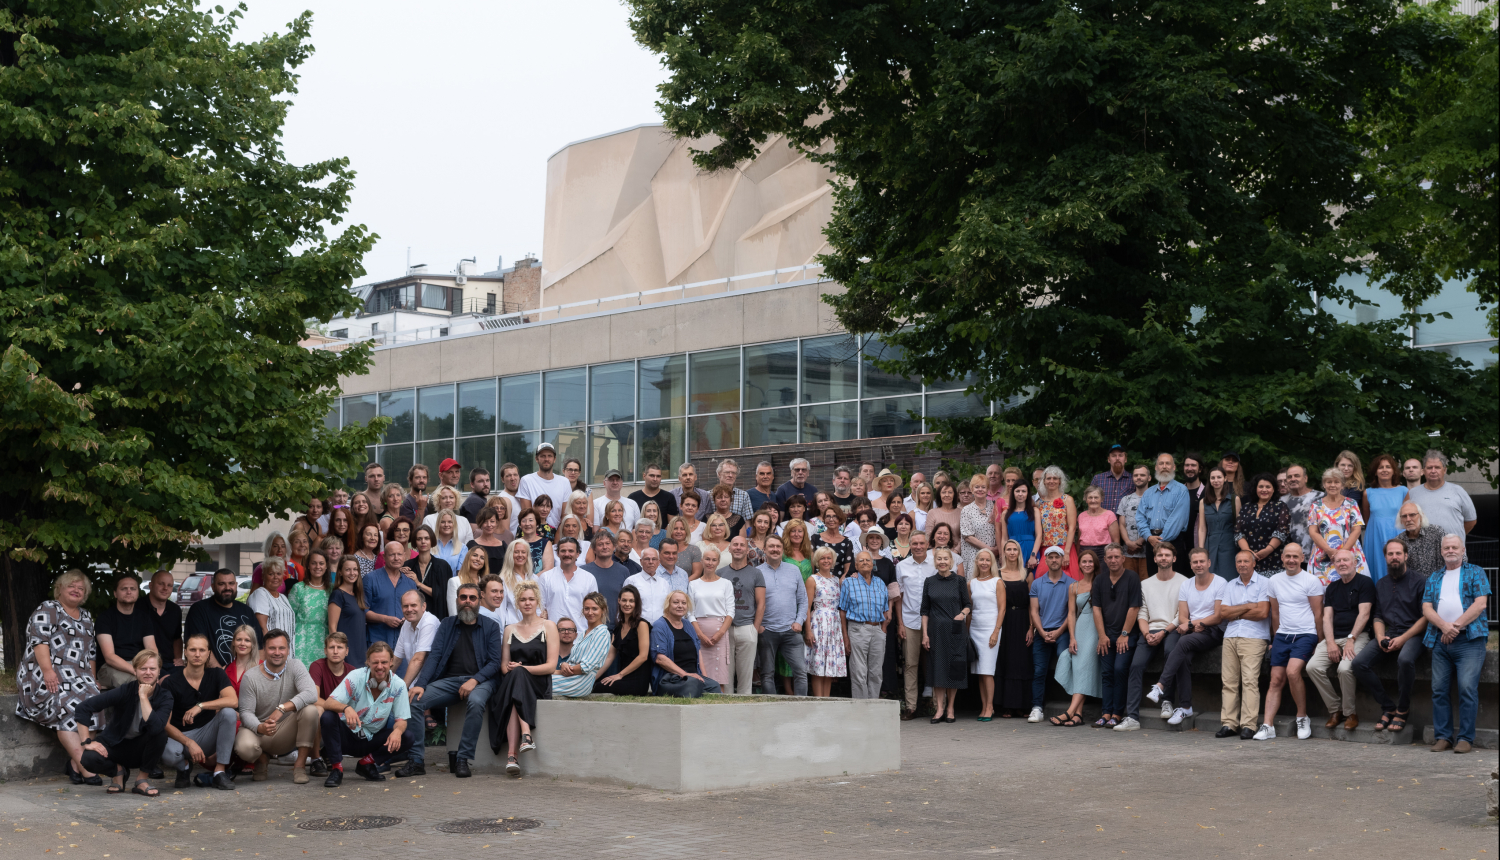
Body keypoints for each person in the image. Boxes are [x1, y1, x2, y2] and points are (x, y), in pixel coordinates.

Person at [15, 570, 104, 785]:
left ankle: (75, 763)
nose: (76, 590)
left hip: (79, 675)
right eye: (71, 586)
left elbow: (90, 651)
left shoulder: (85, 616)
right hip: (45, 672)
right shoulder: (48, 609)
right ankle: (86, 767)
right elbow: (39, 641)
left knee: (95, 701)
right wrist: (48, 671)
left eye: (80, 588)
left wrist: (92, 678)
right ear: (60, 590)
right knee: (67, 705)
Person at [406, 583, 504, 778]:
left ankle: (462, 758)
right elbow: (434, 657)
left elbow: (495, 662)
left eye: (472, 598)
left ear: (479, 600)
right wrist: (420, 684)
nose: (467, 601)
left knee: (476, 702)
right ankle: (416, 761)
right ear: (457, 600)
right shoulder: (447, 624)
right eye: (463, 597)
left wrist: (475, 680)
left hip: (482, 681)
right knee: (416, 701)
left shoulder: (491, 626)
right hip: (451, 681)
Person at [1422, 534, 1490, 754]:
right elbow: (1426, 608)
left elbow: (1480, 604)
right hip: (1441, 640)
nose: (1450, 550)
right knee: (1438, 690)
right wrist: (1444, 626)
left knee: (1467, 688)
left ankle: (1465, 738)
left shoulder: (1475, 572)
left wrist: (1456, 625)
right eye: (1446, 547)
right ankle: (1443, 737)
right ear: (1441, 551)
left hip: (1469, 640)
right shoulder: (1434, 576)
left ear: (1462, 550)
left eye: (1454, 547)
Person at [1353, 539, 1427, 736]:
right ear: (1386, 557)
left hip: (1414, 634)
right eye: (1390, 554)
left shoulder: (1420, 581)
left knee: (1404, 660)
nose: (1394, 557)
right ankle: (1388, 707)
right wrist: (1379, 637)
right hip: (1388, 633)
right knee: (1359, 663)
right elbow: (1377, 615)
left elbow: (1425, 618)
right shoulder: (1381, 583)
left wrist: (1402, 639)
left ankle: (1402, 709)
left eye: (1398, 553)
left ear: (1406, 556)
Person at [74, 650, 172, 797]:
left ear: (159, 671)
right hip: (116, 744)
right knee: (88, 759)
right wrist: (86, 741)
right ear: (135, 670)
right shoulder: (125, 690)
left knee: (160, 734)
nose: (148, 672)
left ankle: (141, 780)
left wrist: (143, 697)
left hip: (141, 749)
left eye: (152, 669)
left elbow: (156, 727)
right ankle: (118, 771)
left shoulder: (165, 696)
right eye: (143, 668)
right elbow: (83, 708)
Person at [1146, 548, 1225, 726]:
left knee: (1182, 642)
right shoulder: (1187, 585)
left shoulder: (1220, 583)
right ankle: (1185, 708)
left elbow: (1218, 616)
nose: (1199, 565)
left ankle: (1160, 686)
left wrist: (1192, 623)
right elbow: (1182, 616)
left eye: (1202, 561)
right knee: (1182, 657)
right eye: (1195, 562)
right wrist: (1190, 624)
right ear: (1190, 565)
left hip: (1212, 630)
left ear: (1209, 563)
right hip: (1192, 630)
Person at [1254, 543, 1324, 741]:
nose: (1291, 560)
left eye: (1295, 556)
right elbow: (1274, 613)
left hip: (1306, 634)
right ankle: (1267, 725)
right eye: (1288, 556)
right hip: (1283, 636)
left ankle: (1302, 716)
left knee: (1293, 672)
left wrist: (1320, 640)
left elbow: (1318, 613)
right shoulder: (1274, 581)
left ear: (1302, 558)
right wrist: (1275, 638)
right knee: (1275, 679)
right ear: (1282, 558)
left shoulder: (1311, 580)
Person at [1115, 544, 1188, 732]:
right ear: (1154, 559)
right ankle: (1132, 717)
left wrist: (1164, 632)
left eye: (1167, 555)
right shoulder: (1145, 584)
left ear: (1174, 559)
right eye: (1160, 555)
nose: (1163, 558)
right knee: (1136, 665)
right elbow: (1142, 613)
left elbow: (1182, 614)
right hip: (1150, 630)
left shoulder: (1184, 582)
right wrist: (1146, 633)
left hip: (1172, 629)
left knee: (1171, 652)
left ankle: (1167, 701)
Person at [319, 642, 413, 786]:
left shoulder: (398, 685)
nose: (380, 666)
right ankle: (337, 769)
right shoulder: (356, 676)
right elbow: (328, 703)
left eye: (384, 662)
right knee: (327, 716)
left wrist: (398, 731)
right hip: (346, 737)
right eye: (375, 662)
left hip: (371, 739)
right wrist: (346, 708)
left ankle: (366, 764)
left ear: (391, 662)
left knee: (407, 736)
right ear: (368, 662)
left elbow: (402, 720)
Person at [489, 582, 558, 776]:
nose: (527, 603)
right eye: (522, 599)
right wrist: (512, 668)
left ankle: (512, 755)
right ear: (517, 603)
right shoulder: (510, 629)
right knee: (515, 680)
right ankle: (524, 738)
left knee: (517, 678)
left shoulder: (549, 626)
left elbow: (551, 666)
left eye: (531, 599)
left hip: (539, 683)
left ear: (537, 602)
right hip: (515, 682)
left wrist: (522, 668)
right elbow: (504, 666)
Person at [234, 629, 319, 783]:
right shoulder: (250, 676)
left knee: (311, 710)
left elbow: (312, 693)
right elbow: (246, 712)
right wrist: (260, 727)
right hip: (259, 731)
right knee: (244, 748)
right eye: (272, 648)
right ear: (264, 650)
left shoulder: (296, 666)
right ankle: (261, 760)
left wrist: (283, 708)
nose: (277, 652)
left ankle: (299, 766)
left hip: (287, 730)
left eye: (282, 648)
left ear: (288, 650)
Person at [1307, 547, 1376, 729]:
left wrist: (1351, 639)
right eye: (1338, 561)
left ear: (1354, 563)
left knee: (1345, 669)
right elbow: (1327, 617)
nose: (1342, 564)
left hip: (1357, 636)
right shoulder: (1332, 587)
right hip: (1334, 637)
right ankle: (1335, 709)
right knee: (1312, 667)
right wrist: (1330, 642)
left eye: (1346, 560)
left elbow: (1365, 614)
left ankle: (1350, 713)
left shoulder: (1365, 583)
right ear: (1334, 565)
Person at [160, 634, 237, 789]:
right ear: (185, 652)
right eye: (193, 650)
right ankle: (184, 769)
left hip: (206, 734)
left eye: (202, 650)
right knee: (168, 754)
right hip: (180, 738)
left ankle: (219, 773)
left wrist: (200, 706)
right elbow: (165, 724)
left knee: (228, 713)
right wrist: (189, 742)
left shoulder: (216, 674)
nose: (197, 654)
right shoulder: (170, 682)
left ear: (209, 653)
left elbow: (233, 700)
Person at [1215, 550, 1271, 739]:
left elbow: (1263, 612)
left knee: (1249, 681)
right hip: (1230, 636)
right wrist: (1248, 605)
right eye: (1239, 561)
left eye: (1246, 561)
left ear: (1254, 563)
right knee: (1228, 682)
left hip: (1254, 637)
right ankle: (1229, 723)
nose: (1242, 564)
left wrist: (1235, 611)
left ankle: (1249, 724)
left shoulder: (1264, 583)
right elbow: (1223, 613)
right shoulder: (1231, 584)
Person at [1090, 545, 1141, 728]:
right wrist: (1102, 635)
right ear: (1105, 560)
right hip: (1106, 635)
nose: (1113, 560)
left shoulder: (1132, 578)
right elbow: (1096, 608)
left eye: (1116, 557)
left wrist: (1124, 634)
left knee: (1120, 669)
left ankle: (1118, 714)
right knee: (1106, 673)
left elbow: (1134, 607)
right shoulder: (1099, 580)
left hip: (1127, 636)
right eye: (1109, 557)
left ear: (1123, 558)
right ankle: (1105, 712)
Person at [919, 547, 971, 722]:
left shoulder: (959, 581)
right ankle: (939, 709)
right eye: (939, 559)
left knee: (953, 669)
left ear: (951, 562)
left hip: (955, 632)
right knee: (938, 670)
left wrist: (962, 614)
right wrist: (925, 635)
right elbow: (924, 610)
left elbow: (968, 605)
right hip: (935, 632)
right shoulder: (929, 581)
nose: (942, 562)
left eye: (945, 559)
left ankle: (950, 709)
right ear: (935, 562)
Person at [1052, 548, 1100, 727]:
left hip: (1096, 629)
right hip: (1080, 628)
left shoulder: (1100, 583)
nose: (1087, 565)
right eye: (1083, 562)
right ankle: (1078, 715)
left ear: (1095, 564)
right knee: (1075, 665)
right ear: (1078, 565)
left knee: (1084, 667)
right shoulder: (1073, 586)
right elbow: (1071, 614)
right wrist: (1072, 637)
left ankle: (1070, 711)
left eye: (1090, 562)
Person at [757, 535, 809, 696]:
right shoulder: (756, 573)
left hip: (791, 630)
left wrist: (799, 621)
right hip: (767, 631)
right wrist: (757, 625)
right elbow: (752, 602)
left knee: (800, 672)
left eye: (778, 547)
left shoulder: (793, 570)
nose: (775, 550)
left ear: (782, 549)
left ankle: (801, 710)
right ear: (764, 550)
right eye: (771, 546)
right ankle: (771, 711)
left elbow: (803, 599)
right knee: (767, 674)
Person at [1028, 546, 1073, 723]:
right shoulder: (1037, 583)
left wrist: (1058, 632)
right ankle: (1037, 708)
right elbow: (1034, 611)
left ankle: (1072, 707)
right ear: (1045, 560)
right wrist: (1041, 632)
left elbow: (1072, 613)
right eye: (1051, 557)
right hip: (1041, 631)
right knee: (1039, 671)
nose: (1054, 560)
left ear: (1062, 560)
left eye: (1057, 557)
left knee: (1066, 662)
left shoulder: (1071, 583)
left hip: (1062, 632)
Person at [838, 550, 891, 701]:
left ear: (873, 564)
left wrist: (884, 629)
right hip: (857, 628)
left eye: (868, 560)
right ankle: (861, 710)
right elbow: (842, 611)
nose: (865, 563)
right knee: (859, 671)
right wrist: (845, 637)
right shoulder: (849, 582)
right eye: (861, 561)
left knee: (876, 672)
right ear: (856, 565)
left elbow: (886, 609)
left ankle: (873, 706)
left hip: (878, 629)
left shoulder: (880, 582)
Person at [893, 532, 935, 719]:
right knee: (910, 664)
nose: (918, 546)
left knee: (935, 663)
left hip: (933, 622)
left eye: (921, 543)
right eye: (915, 543)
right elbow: (898, 598)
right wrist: (900, 623)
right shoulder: (901, 566)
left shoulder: (936, 564)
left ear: (927, 545)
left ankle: (936, 705)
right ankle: (911, 706)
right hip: (909, 621)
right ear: (909, 545)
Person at [652, 590, 723, 699]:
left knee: (714, 686)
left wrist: (704, 677)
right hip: (672, 679)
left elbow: (698, 652)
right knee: (692, 685)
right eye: (676, 602)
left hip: (693, 677)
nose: (680, 606)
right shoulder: (659, 626)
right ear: (668, 604)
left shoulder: (688, 625)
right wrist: (685, 674)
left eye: (683, 603)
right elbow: (660, 658)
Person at [719, 535, 766, 694]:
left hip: (747, 628)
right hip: (724, 630)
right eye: (735, 545)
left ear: (747, 550)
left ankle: (743, 711)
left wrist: (754, 628)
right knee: (725, 678)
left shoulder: (756, 573)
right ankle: (726, 712)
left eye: (742, 545)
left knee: (746, 678)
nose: (738, 547)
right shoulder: (720, 573)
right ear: (729, 548)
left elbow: (761, 603)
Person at [95, 573, 158, 690]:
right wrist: (137, 671)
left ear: (137, 592)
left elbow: (152, 650)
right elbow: (109, 657)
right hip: (109, 667)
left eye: (133, 589)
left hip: (139, 665)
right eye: (124, 589)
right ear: (115, 593)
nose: (129, 592)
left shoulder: (144, 618)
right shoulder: (105, 618)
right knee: (137, 684)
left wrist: (152, 669)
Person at [1308, 468, 1368, 584]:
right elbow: (1313, 532)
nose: (1332, 485)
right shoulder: (1316, 505)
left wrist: (1342, 554)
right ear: (1324, 485)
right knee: (1321, 590)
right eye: (1329, 482)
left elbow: (1357, 529)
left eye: (1336, 482)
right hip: (1323, 554)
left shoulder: (1351, 504)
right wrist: (1329, 550)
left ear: (1342, 485)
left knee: (1353, 587)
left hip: (1349, 552)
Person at [803, 547, 847, 696]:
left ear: (833, 560)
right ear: (817, 561)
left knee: (829, 665)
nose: (826, 561)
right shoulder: (812, 579)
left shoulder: (836, 580)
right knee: (818, 664)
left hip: (834, 625)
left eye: (829, 558)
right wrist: (808, 630)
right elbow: (807, 607)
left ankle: (826, 700)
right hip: (819, 623)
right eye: (822, 558)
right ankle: (817, 701)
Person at [688, 547, 735, 689]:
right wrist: (700, 634)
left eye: (714, 560)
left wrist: (720, 634)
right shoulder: (693, 584)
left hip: (719, 632)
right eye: (707, 559)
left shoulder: (726, 583)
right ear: (702, 561)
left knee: (719, 675)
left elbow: (731, 611)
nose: (710, 562)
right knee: (701, 674)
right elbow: (690, 612)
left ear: (718, 562)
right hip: (699, 632)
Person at [551, 594, 614, 698]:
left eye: (594, 609)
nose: (590, 612)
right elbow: (572, 661)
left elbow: (586, 667)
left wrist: (564, 670)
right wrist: (563, 665)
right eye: (587, 608)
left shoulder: (602, 633)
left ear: (603, 610)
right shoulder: (583, 633)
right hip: (571, 676)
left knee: (536, 682)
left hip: (579, 682)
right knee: (534, 678)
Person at [1137, 453, 1191, 575]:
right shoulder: (1148, 493)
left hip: (1173, 543)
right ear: (1156, 467)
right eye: (1161, 463)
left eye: (1168, 463)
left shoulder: (1181, 490)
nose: (1164, 466)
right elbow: (1140, 517)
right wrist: (1148, 537)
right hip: (1151, 541)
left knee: (1174, 581)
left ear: (1174, 467)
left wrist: (1160, 542)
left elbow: (1177, 520)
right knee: (1154, 579)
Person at [967, 549, 1004, 721]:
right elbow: (970, 610)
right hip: (975, 629)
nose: (984, 563)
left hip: (991, 628)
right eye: (981, 559)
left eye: (987, 560)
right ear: (976, 562)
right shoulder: (971, 583)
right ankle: (983, 707)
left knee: (988, 671)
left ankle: (990, 707)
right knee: (980, 672)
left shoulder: (997, 582)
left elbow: (1002, 609)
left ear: (992, 563)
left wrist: (996, 631)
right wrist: (967, 633)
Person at [1407, 450, 1478, 538]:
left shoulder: (1458, 491)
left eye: (1437, 467)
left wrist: (1456, 537)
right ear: (1423, 471)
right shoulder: (1412, 493)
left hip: (1452, 550)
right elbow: (1406, 521)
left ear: (1444, 470)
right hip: (1424, 550)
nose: (1433, 471)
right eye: (1429, 468)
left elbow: (1471, 521)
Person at [598, 585, 653, 696]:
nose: (627, 604)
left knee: (597, 687)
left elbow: (643, 656)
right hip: (622, 677)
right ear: (619, 601)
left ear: (636, 603)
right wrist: (592, 678)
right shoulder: (618, 628)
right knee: (594, 684)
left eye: (631, 601)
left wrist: (620, 675)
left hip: (637, 681)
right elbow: (609, 657)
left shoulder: (642, 625)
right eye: (624, 600)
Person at [1361, 454, 1407, 582]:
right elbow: (1367, 517)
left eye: (1388, 467)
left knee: (1398, 565)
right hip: (1375, 536)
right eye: (1381, 467)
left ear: (1393, 471)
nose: (1384, 470)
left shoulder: (1403, 491)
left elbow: (1407, 516)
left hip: (1397, 534)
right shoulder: (1368, 493)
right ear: (1375, 472)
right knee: (1377, 566)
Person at [538, 537, 599, 631]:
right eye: (563, 551)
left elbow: (594, 609)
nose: (567, 554)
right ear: (557, 553)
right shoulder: (545, 577)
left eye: (571, 551)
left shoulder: (589, 578)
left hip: (580, 634)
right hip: (553, 634)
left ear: (578, 554)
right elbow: (540, 608)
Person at [364, 542, 418, 647]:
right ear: (384, 556)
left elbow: (418, 610)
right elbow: (362, 611)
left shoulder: (410, 583)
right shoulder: (370, 579)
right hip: (377, 640)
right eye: (392, 555)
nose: (396, 558)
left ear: (404, 556)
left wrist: (407, 618)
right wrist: (385, 619)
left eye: (399, 554)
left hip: (404, 642)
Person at [1235, 473, 1290, 575]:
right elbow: (1238, 531)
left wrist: (1267, 550)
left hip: (1274, 560)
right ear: (1255, 489)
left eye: (1268, 487)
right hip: (1248, 561)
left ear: (1273, 489)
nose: (1264, 490)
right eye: (1261, 487)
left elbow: (1282, 530)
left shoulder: (1280, 506)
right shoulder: (1246, 507)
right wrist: (1248, 552)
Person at [1197, 467, 1241, 579]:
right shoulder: (1203, 502)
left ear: (1225, 479)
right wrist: (1201, 549)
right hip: (1210, 545)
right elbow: (1202, 528)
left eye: (1219, 477)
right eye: (1213, 478)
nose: (1216, 480)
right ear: (1209, 481)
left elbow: (1239, 527)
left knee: (1229, 577)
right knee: (1210, 578)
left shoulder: (1234, 500)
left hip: (1229, 545)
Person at [290, 551, 332, 667]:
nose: (318, 567)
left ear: (326, 566)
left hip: (324, 639)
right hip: (301, 640)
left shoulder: (332, 590)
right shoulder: (298, 588)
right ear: (308, 566)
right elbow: (290, 618)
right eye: (314, 563)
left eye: (321, 563)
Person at [327, 556, 369, 670]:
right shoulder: (338, 594)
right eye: (347, 570)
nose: (352, 573)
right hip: (346, 653)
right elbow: (332, 627)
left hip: (360, 651)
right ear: (340, 572)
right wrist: (338, 652)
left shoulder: (358, 595)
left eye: (355, 569)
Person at [516, 442, 571, 529]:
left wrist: (556, 538)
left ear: (554, 459)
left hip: (558, 535)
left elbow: (565, 516)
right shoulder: (526, 480)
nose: (546, 459)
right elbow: (527, 515)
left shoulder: (564, 482)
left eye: (550, 456)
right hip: (533, 535)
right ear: (536, 459)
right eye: (542, 456)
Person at [393, 590, 440, 687]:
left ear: (423, 606)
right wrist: (380, 682)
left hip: (431, 683)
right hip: (414, 681)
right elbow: (396, 659)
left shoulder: (429, 622)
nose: (409, 609)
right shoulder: (407, 623)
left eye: (413, 605)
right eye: (405, 606)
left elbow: (418, 659)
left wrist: (402, 690)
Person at [249, 559, 297, 645]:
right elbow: (262, 628)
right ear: (263, 576)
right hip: (272, 649)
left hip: (286, 648)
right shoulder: (260, 594)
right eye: (271, 574)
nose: (275, 577)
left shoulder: (283, 597)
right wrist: (271, 648)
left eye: (278, 574)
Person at [1116, 464, 1152, 577]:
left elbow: (1155, 523)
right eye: (1136, 475)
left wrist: (1139, 542)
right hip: (1128, 553)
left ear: (1149, 478)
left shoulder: (1155, 499)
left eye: (1142, 475)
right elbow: (1121, 524)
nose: (1139, 477)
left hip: (1148, 553)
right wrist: (1128, 542)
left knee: (1146, 587)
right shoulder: (1125, 499)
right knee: (1128, 586)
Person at [1280, 464, 1324, 558]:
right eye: (1289, 477)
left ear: (1305, 478)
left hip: (1317, 553)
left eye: (1297, 476)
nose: (1292, 479)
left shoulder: (1320, 497)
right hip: (1291, 557)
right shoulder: (1281, 501)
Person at [959, 474, 997, 579]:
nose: (980, 489)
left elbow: (1001, 529)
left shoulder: (995, 506)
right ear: (972, 489)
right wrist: (989, 550)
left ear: (988, 489)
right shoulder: (966, 510)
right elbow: (968, 536)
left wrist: (997, 549)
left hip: (993, 557)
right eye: (977, 487)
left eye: (983, 487)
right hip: (974, 556)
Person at [1396, 500, 1447, 579]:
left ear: (1421, 516)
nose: (1408, 519)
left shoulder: (1437, 532)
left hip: (1439, 583)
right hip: (1413, 587)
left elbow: (1458, 554)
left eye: (1412, 515)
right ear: (1401, 520)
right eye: (1404, 516)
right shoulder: (1399, 541)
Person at [144, 570, 184, 669]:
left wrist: (178, 658)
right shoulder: (138, 608)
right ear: (151, 585)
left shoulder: (175, 610)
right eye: (161, 584)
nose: (165, 588)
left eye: (170, 585)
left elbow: (177, 638)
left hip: (170, 663)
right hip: (145, 664)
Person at [1074, 486, 1120, 563]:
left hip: (1103, 552)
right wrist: (1078, 555)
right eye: (1090, 497)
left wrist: (1114, 557)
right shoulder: (1081, 516)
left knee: (1103, 575)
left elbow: (1116, 540)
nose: (1093, 500)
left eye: (1096, 497)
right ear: (1085, 499)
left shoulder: (1109, 515)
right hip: (1084, 551)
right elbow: (1079, 539)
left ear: (1101, 499)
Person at [1000, 481, 1039, 571]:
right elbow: (1004, 538)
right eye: (1017, 491)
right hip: (1012, 550)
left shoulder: (1035, 511)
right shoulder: (1006, 513)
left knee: (1031, 577)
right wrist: (1003, 556)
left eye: (1023, 491)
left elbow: (1039, 535)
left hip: (1030, 548)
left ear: (1028, 494)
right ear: (1013, 493)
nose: (1020, 494)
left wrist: (1033, 555)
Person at [811, 505, 855, 577]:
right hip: (818, 582)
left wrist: (840, 583)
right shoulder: (815, 538)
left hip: (839, 582)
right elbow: (812, 565)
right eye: (828, 516)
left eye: (835, 516)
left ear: (840, 519)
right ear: (824, 519)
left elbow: (847, 570)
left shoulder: (847, 542)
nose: (831, 519)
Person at [1091, 443, 1135, 513]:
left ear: (1125, 459)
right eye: (1114, 456)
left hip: (1125, 523)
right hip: (1102, 523)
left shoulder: (1133, 480)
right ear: (1109, 459)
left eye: (1120, 455)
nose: (1117, 458)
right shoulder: (1098, 479)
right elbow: (1091, 504)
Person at [223, 624, 260, 694]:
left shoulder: (262, 667)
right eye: (239, 639)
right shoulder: (225, 670)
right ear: (233, 642)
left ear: (253, 644)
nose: (242, 643)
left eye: (247, 640)